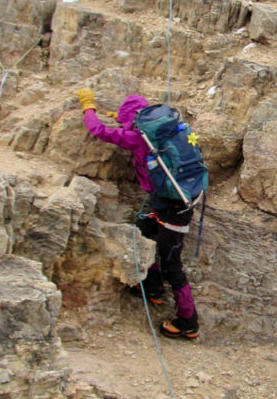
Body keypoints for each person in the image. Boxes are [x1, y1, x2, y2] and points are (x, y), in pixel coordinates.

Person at [75, 88, 200, 339]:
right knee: (143, 230)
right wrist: (121, 117)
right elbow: (128, 126)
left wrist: (88, 107)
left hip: (173, 209)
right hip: (173, 201)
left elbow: (99, 131)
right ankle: (151, 288)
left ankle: (188, 322)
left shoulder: (137, 138)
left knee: (172, 265)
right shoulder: (166, 128)